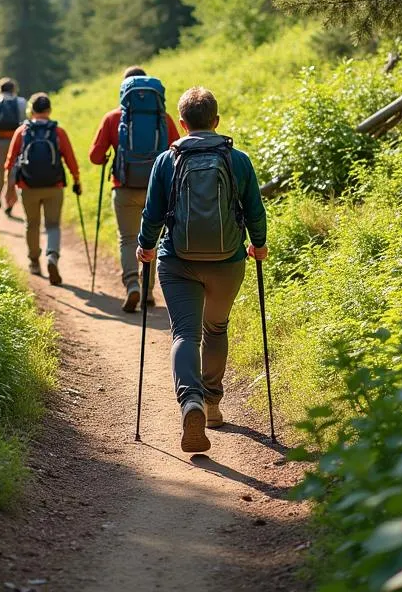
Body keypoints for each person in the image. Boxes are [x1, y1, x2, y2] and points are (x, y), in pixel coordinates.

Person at [136, 86, 268, 455]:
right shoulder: (237, 159)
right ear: (217, 121)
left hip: (178, 261)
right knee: (216, 327)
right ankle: (211, 405)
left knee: (184, 335)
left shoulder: (166, 160)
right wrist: (258, 243)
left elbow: (153, 213)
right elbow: (255, 209)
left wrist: (145, 247)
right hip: (228, 261)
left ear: (181, 124)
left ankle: (189, 401)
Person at [89, 66, 180, 313]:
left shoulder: (112, 118)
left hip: (124, 187)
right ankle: (148, 292)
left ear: (124, 90)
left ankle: (132, 285)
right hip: (158, 190)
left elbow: (95, 157)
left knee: (128, 239)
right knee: (153, 239)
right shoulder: (164, 119)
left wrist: (110, 153)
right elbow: (178, 153)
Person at [4, 92, 81, 286]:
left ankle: (34, 262)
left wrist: (9, 187)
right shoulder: (58, 132)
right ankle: (52, 257)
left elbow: (10, 161)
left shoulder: (22, 130)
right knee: (53, 225)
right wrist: (76, 179)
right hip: (54, 186)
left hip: (27, 186)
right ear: (49, 110)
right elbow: (70, 159)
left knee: (32, 223)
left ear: (31, 110)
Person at [0, 77, 27, 211]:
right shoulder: (21, 102)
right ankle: (11, 202)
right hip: (17, 141)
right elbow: (25, 123)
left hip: (0, 141)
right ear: (14, 89)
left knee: (0, 171)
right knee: (15, 171)